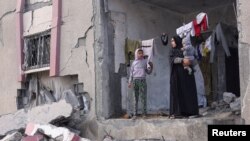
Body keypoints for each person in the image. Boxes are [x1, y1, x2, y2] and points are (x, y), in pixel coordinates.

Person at [169, 35, 199, 118]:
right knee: (178, 93)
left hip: (187, 76)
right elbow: (172, 60)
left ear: (178, 41)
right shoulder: (172, 51)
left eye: (173, 41)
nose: (171, 43)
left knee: (188, 92)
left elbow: (194, 60)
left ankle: (190, 111)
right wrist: (182, 60)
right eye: (171, 41)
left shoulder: (186, 49)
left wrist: (190, 61)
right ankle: (178, 112)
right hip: (177, 77)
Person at [128, 48, 153, 119]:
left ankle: (144, 114)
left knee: (143, 98)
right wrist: (130, 82)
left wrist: (150, 68)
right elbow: (131, 73)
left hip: (142, 81)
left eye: (142, 53)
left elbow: (148, 72)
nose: (141, 54)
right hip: (135, 81)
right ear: (136, 54)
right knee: (135, 98)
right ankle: (135, 114)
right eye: (139, 53)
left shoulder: (145, 62)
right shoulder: (133, 63)